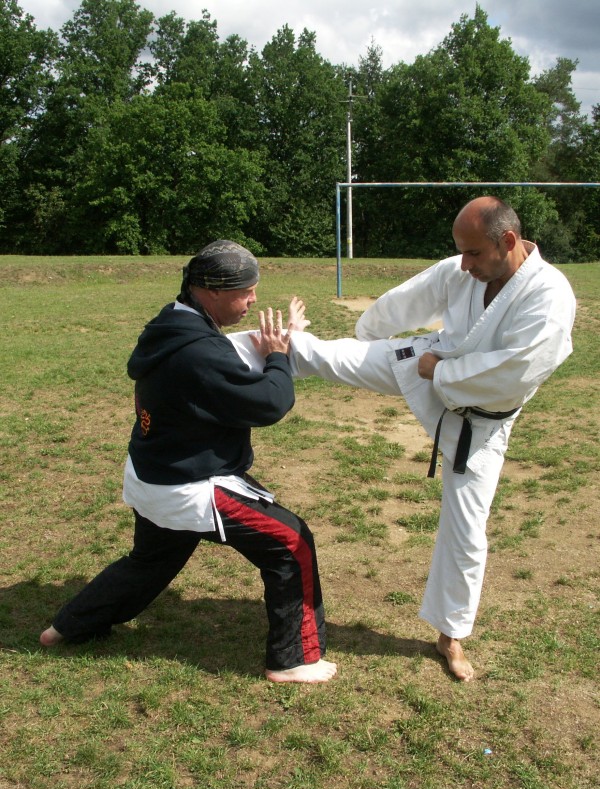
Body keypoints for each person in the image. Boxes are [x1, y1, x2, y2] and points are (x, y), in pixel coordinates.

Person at [229, 197, 576, 681]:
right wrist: (369, 334)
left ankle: (450, 634)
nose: (464, 264)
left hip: (480, 421)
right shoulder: (464, 268)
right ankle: (212, 355)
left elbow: (516, 371)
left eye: (474, 253)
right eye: (461, 252)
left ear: (509, 242)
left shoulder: (549, 297)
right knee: (327, 355)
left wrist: (442, 372)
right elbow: (412, 296)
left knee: (467, 530)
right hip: (426, 362)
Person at [40, 239, 337, 684]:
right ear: (212, 291)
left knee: (148, 563)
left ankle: (67, 626)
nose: (253, 299)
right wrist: (278, 356)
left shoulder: (173, 322)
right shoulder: (197, 350)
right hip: (186, 485)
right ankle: (293, 660)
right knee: (291, 542)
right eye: (245, 291)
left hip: (153, 473)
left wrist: (286, 337)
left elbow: (223, 359)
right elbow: (268, 403)